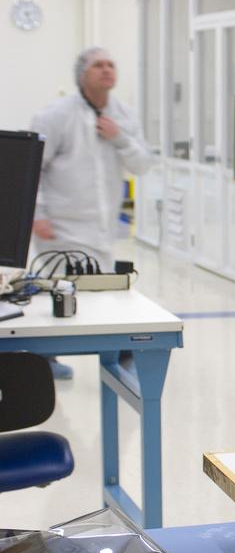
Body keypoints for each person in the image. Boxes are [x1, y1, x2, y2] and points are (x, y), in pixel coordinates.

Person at [30, 46, 152, 379]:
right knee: (58, 291)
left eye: (111, 64)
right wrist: (37, 214)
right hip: (58, 225)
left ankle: (118, 355)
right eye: (98, 65)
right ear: (82, 74)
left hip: (100, 226)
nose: (107, 69)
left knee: (104, 290)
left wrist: (119, 137)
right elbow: (32, 167)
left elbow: (142, 164)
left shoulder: (124, 116)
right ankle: (46, 360)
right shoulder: (56, 115)